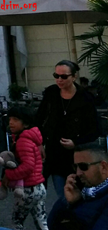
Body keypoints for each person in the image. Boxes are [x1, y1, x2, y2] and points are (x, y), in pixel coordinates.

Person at [36, 59, 99, 199]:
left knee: (75, 191)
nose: (59, 80)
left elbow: (94, 129)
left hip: (75, 155)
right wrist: (38, 142)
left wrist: (76, 143)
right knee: (56, 192)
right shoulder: (51, 93)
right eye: (56, 75)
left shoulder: (85, 97)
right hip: (52, 150)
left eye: (64, 76)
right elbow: (39, 119)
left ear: (74, 76)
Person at [4, 107, 48, 230]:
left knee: (17, 221)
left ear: (26, 123)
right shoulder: (32, 139)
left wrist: (9, 174)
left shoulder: (22, 141)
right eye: (10, 119)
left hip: (27, 188)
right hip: (39, 186)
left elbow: (28, 166)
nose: (11, 122)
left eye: (16, 120)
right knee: (41, 219)